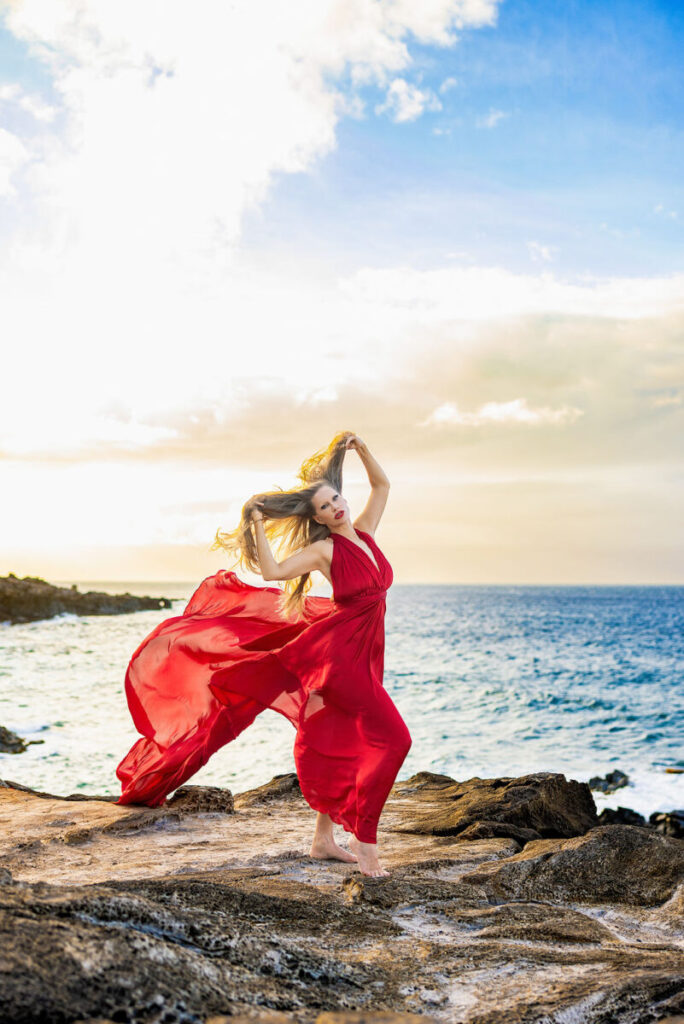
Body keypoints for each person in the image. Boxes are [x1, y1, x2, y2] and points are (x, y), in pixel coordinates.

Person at [115, 430, 411, 878]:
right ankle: (365, 844)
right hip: (344, 664)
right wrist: (255, 520)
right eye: (325, 507)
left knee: (342, 741)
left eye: (336, 499)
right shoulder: (324, 551)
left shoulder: (367, 535)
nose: (335, 507)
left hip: (366, 657)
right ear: (318, 519)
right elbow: (271, 570)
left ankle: (322, 839)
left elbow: (383, 487)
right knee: (395, 740)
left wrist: (362, 450)